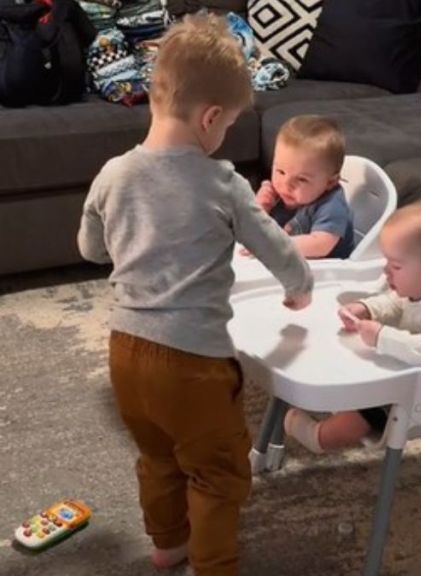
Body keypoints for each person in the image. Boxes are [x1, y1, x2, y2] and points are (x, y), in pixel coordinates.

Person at [77, 14, 313, 575]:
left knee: (158, 456)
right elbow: (278, 247)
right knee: (219, 470)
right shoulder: (223, 184)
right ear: (210, 118)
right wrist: (300, 288)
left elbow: (89, 248)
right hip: (193, 364)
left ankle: (167, 544)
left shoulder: (112, 174)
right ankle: (214, 565)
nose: (225, 133)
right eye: (228, 123)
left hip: (125, 353)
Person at [284, 198, 421, 451]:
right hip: (406, 368)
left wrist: (382, 337)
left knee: (365, 414)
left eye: (395, 266)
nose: (386, 272)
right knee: (349, 362)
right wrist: (368, 309)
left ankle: (320, 437)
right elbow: (397, 304)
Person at [247, 114, 355, 259]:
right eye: (280, 171)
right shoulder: (277, 191)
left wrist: (271, 245)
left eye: (301, 179)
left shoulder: (332, 205)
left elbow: (321, 245)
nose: (286, 184)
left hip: (328, 272)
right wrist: (260, 208)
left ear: (329, 183)